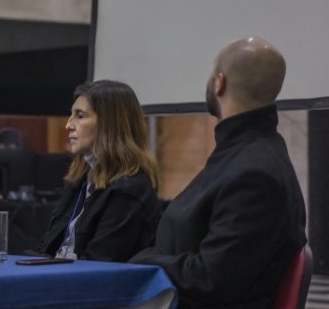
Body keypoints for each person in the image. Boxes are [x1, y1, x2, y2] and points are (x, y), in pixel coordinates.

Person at [130, 37, 307, 308]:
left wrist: (145, 260)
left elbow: (210, 279)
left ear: (219, 82)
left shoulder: (254, 172)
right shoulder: (244, 153)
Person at [34, 80, 162, 261]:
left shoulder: (128, 191)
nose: (68, 125)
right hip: (58, 278)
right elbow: (47, 246)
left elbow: (98, 266)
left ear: (110, 124)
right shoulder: (80, 179)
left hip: (82, 285)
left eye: (80, 116)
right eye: (71, 115)